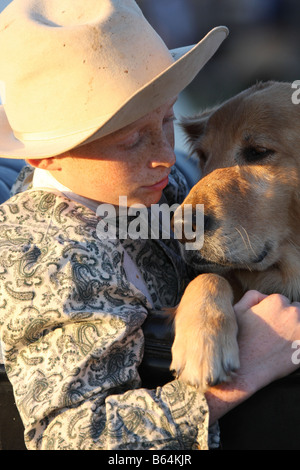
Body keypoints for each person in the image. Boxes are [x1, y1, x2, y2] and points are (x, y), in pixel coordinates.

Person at [0, 0, 300, 451]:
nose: (163, 152)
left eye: (166, 120)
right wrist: (251, 367)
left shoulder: (157, 182)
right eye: (132, 139)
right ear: (47, 157)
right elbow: (74, 440)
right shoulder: (41, 261)